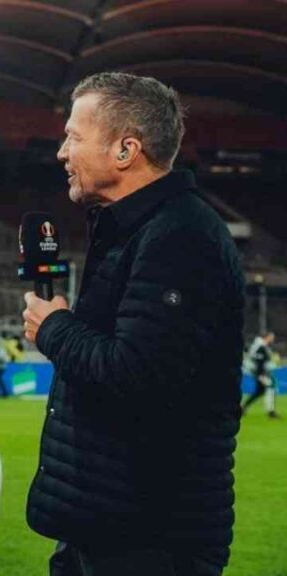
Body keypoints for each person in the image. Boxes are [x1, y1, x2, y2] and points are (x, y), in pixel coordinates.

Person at [21, 73, 243, 576]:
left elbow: (139, 373)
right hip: (102, 527)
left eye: (74, 137)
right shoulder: (135, 230)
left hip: (150, 540)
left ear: (125, 150)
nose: (61, 152)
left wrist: (54, 328)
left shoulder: (181, 237)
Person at [242, 332, 279, 419]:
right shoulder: (260, 347)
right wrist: (261, 374)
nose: (272, 339)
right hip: (259, 372)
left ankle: (243, 408)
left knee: (259, 391)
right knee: (270, 386)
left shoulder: (259, 345)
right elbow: (259, 362)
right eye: (271, 337)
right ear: (266, 337)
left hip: (257, 371)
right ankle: (270, 411)